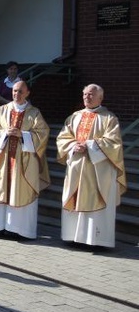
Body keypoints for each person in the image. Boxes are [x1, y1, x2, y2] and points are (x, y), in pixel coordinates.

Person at [56, 84, 126, 249]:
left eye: (91, 95)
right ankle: (72, 236)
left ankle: (97, 240)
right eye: (85, 94)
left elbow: (114, 143)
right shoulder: (74, 117)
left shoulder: (109, 118)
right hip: (77, 167)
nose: (87, 97)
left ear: (100, 98)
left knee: (97, 202)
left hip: (98, 171)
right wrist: (73, 146)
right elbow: (62, 138)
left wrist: (88, 145)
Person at [0, 81, 50, 240]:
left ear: (27, 93)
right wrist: (4, 133)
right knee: (0, 190)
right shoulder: (2, 111)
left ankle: (19, 230)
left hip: (24, 162)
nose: (16, 94)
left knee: (21, 190)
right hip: (3, 159)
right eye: (14, 91)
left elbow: (42, 134)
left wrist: (23, 135)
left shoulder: (34, 113)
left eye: (20, 91)